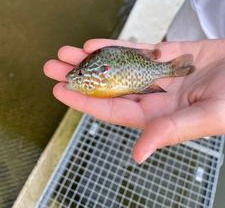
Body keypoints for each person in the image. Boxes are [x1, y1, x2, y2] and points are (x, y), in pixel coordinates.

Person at [44, 38, 225, 164]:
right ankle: (169, 65)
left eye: (81, 73)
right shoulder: (94, 83)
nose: (75, 77)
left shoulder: (99, 85)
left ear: (98, 73)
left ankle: (169, 68)